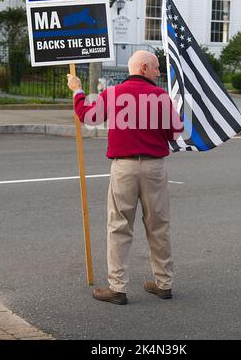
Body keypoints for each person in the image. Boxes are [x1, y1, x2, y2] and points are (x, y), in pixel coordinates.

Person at [67, 50, 183, 305]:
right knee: (158, 226)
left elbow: (88, 116)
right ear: (143, 67)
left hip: (124, 168)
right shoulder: (161, 97)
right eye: (156, 68)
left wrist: (77, 89)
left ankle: (117, 288)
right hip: (154, 168)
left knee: (119, 226)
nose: (159, 72)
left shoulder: (113, 94)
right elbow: (175, 133)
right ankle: (164, 283)